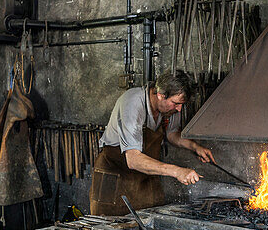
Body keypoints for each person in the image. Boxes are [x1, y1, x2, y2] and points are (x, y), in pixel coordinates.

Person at [89, 71, 215, 216]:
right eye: (176, 103)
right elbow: (133, 159)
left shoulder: (170, 109)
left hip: (144, 178)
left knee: (146, 227)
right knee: (109, 228)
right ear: (161, 94)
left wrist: (195, 147)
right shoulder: (133, 103)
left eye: (181, 104)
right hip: (116, 173)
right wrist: (177, 171)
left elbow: (172, 134)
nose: (179, 109)